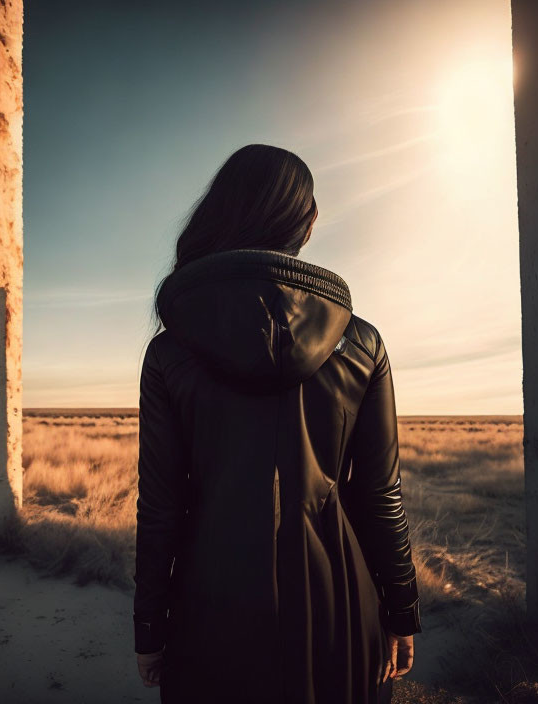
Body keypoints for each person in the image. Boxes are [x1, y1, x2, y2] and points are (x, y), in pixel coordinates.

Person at [133, 144, 421, 704]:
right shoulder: (361, 343)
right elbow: (380, 495)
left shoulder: (170, 352)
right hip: (342, 606)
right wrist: (401, 609)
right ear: (304, 225)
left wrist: (149, 627)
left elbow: (160, 506)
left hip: (208, 609)